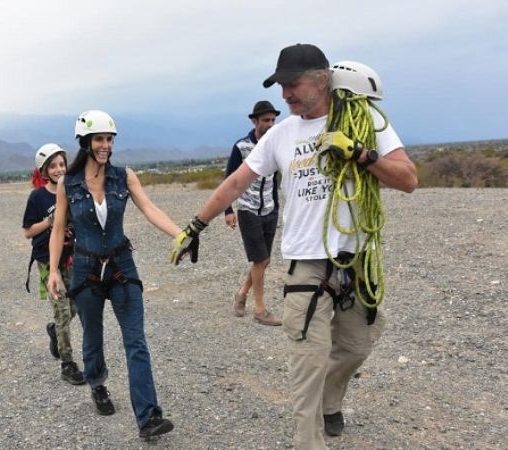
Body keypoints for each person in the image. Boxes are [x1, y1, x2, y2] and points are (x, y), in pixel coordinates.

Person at [170, 44, 418, 449]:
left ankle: (330, 400)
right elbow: (236, 182)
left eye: (292, 84)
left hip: (355, 261)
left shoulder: (365, 120)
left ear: (323, 79)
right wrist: (196, 225)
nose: (284, 95)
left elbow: (407, 179)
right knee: (307, 365)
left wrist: (358, 152)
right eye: (280, 85)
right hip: (305, 265)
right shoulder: (281, 135)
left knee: (358, 345)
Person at [47, 110, 182, 439]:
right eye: (100, 139)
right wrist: (52, 270)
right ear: (86, 142)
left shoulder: (125, 177)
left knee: (136, 341)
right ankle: (97, 383)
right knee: (92, 337)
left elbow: (150, 208)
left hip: (122, 267)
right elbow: (59, 227)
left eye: (110, 138)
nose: (106, 145)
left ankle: (149, 417)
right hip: (85, 268)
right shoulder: (69, 183)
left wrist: (181, 235)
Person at [22, 144, 85, 385]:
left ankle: (54, 330)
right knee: (63, 311)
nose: (59, 169)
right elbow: (28, 232)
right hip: (48, 261)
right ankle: (68, 364)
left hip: (73, 257)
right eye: (53, 166)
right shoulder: (38, 196)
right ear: (44, 170)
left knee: (76, 306)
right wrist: (51, 220)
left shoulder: (72, 190)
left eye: (62, 164)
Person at [224, 100, 282, 325]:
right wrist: (228, 210)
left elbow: (275, 179)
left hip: (269, 209)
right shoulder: (241, 147)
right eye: (266, 120)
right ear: (254, 121)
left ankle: (241, 294)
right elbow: (230, 179)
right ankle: (260, 310)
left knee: (263, 261)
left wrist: (276, 207)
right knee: (261, 259)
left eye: (273, 120)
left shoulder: (275, 145)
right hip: (248, 210)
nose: (270, 124)